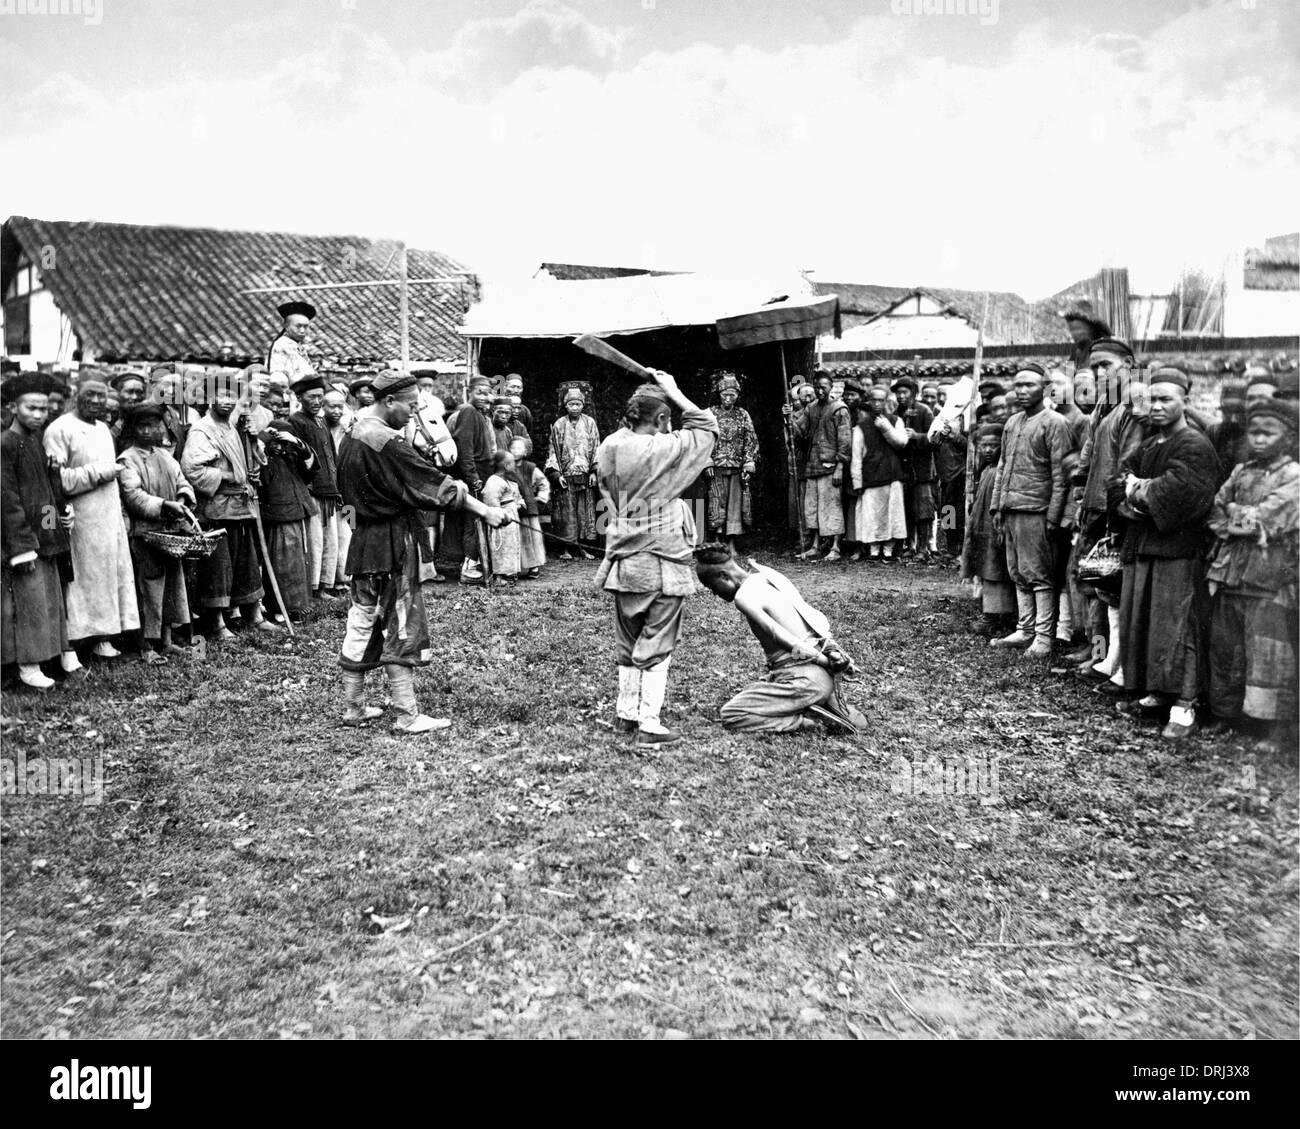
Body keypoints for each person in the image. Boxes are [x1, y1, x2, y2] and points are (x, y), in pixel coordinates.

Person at [335, 369, 507, 733]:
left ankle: (353, 708)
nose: (413, 413)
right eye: (411, 406)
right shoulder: (388, 442)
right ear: (389, 401)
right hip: (394, 544)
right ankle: (407, 715)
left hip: (363, 543)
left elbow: (345, 495)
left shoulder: (350, 435)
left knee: (362, 620)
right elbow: (435, 484)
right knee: (402, 623)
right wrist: (486, 510)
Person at [595, 369, 717, 747]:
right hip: (662, 561)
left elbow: (602, 486)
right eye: (666, 419)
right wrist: (675, 390)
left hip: (624, 558)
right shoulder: (664, 447)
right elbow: (708, 425)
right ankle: (650, 723)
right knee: (657, 639)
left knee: (628, 638)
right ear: (662, 419)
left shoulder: (609, 445)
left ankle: (626, 715)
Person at [1111, 367, 1220, 740]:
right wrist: (1134, 494)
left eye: (1165, 399)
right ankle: (1157, 691)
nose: (1155, 406)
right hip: (1145, 543)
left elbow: (1180, 494)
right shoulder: (1148, 445)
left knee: (1179, 626)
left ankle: (1185, 704)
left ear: (1184, 402)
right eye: (1151, 399)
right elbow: (1117, 483)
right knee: (1145, 624)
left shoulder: (1194, 444)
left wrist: (1137, 491)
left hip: (1179, 549)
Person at [1204, 398, 1298, 752]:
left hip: (1268, 575)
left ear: (1287, 437)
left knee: (1268, 653)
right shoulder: (1241, 471)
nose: (1258, 439)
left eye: (1267, 432)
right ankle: (1226, 714)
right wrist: (1237, 517)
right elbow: (1214, 508)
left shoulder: (1293, 476)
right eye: (1253, 432)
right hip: (1229, 571)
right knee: (1226, 647)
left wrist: (1237, 515)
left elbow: (1269, 519)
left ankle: (1269, 728)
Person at [694, 544, 868, 734]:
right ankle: (824, 702)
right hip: (823, 675)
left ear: (723, 576)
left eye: (711, 587)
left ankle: (809, 721)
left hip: (805, 680)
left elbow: (786, 639)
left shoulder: (743, 597)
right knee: (860, 724)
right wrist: (835, 655)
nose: (714, 593)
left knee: (732, 713)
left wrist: (825, 661)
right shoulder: (765, 575)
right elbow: (812, 621)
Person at [43, 379, 140, 659]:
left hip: (108, 517)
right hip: (79, 519)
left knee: (107, 577)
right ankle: (73, 643)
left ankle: (102, 637)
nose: (97, 401)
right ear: (77, 396)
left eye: (102, 396)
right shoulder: (59, 429)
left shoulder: (103, 430)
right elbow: (57, 481)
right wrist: (98, 472)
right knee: (81, 581)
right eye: (90, 395)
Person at [181, 372, 278, 641]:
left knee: (245, 559)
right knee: (218, 564)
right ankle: (216, 622)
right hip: (217, 504)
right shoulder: (202, 429)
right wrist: (229, 476)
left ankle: (252, 614)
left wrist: (250, 463)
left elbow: (250, 464)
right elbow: (192, 469)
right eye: (220, 396)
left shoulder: (234, 428)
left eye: (231, 397)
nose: (226, 402)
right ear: (210, 398)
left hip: (241, 504)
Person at [1, 373, 82, 689]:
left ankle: (50, 655)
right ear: (12, 407)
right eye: (30, 408)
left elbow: (44, 493)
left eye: (43, 409)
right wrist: (23, 546)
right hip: (21, 541)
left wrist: (56, 523)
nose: (38, 415)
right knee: (27, 602)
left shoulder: (35, 441)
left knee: (48, 598)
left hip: (43, 537)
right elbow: (7, 499)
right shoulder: (6, 444)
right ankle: (27, 664)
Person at [989, 363, 1072, 659]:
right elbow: (1002, 466)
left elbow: (1061, 475)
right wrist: (996, 505)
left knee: (1040, 573)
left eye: (1029, 385)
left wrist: (1054, 515)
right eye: (1018, 385)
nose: (1022, 391)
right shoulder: (1012, 422)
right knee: (1017, 571)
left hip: (1036, 509)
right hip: (1010, 508)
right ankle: (1024, 628)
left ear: (1045, 388)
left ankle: (1044, 636)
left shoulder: (1055, 423)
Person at [116, 403, 196, 663]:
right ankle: (146, 645)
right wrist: (163, 505)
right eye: (143, 426)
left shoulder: (164, 456)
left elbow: (181, 479)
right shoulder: (128, 458)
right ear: (134, 429)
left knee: (171, 586)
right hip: (145, 533)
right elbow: (134, 496)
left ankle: (167, 640)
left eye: (155, 425)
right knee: (148, 589)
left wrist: (183, 496)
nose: (150, 431)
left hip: (169, 533)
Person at [257, 400, 316, 622]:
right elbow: (256, 468)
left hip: (299, 511)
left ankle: (298, 604)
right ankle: (281, 607)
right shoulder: (265, 459)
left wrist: (297, 444)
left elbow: (312, 467)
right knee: (283, 564)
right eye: (276, 442)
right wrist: (264, 440)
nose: (279, 446)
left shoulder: (293, 456)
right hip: (280, 516)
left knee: (300, 562)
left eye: (284, 442)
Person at [287, 374, 343, 601]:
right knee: (314, 542)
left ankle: (326, 584)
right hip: (312, 492)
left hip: (329, 491)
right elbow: (297, 458)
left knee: (331, 541)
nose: (317, 401)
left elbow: (331, 455)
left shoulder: (321, 422)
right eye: (312, 397)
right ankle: (313, 587)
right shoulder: (296, 422)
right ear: (300, 397)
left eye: (320, 396)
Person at [786, 371, 850, 561]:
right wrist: (789, 418)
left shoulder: (840, 409)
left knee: (832, 507)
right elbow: (799, 431)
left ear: (831, 387)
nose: (820, 391)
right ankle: (814, 545)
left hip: (831, 465)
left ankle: (836, 547)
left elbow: (845, 441)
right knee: (812, 508)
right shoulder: (811, 408)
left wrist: (839, 467)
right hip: (812, 464)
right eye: (817, 387)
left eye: (823, 387)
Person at [961, 423, 1015, 635]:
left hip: (994, 530)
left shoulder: (999, 472)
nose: (988, 450)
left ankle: (995, 616)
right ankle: (991, 613)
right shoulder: (985, 471)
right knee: (985, 568)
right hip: (981, 530)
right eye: (984, 446)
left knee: (995, 571)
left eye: (993, 445)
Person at [445, 375, 497, 581]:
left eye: (487, 393)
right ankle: (469, 566)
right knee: (472, 521)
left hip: (483, 474)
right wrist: (473, 477)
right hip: (474, 476)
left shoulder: (481, 415)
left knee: (477, 520)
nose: (484, 397)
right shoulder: (468, 411)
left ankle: (476, 562)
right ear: (470, 393)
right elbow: (464, 448)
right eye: (479, 393)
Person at [848, 385, 908, 561]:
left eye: (881, 400)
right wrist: (857, 481)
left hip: (892, 474)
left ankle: (888, 549)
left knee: (891, 513)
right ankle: (874, 549)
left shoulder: (895, 421)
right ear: (868, 401)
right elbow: (856, 457)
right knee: (872, 514)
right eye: (873, 400)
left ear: (886, 401)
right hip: (871, 476)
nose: (877, 403)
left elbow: (902, 443)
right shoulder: (861, 427)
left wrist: (886, 428)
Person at [705, 371, 759, 554]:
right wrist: (707, 461)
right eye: (725, 394)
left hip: (736, 467)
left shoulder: (743, 415)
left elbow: (750, 439)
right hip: (717, 466)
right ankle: (718, 540)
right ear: (719, 394)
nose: (728, 398)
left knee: (735, 505)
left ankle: (732, 543)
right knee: (716, 501)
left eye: (732, 395)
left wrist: (749, 462)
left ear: (737, 395)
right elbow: (703, 439)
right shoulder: (710, 414)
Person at [545, 386, 601, 561]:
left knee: (584, 512)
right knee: (566, 512)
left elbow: (597, 448)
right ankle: (565, 548)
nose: (575, 407)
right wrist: (556, 474)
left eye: (578, 404)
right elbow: (553, 449)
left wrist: (594, 471)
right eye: (571, 404)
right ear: (566, 406)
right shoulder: (559, 425)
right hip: (566, 475)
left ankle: (583, 547)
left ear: (582, 405)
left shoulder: (590, 423)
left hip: (584, 473)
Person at [892, 376, 936, 558]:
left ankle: (923, 548)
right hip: (903, 469)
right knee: (908, 509)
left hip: (922, 469)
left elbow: (935, 439)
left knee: (923, 510)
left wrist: (917, 436)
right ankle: (910, 546)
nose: (901, 396)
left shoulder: (925, 411)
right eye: (898, 393)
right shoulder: (896, 413)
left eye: (905, 392)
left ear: (913, 393)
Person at [323, 389, 352, 595]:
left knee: (349, 532)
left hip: (348, 489)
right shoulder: (320, 429)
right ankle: (330, 580)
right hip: (329, 491)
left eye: (340, 406)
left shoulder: (348, 430)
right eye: (331, 406)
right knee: (330, 537)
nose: (336, 411)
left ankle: (345, 578)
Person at [509, 435, 549, 579]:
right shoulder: (505, 468)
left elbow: (543, 483)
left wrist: (540, 498)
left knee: (531, 538)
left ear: (525, 451)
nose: (515, 451)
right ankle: (513, 568)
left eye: (519, 448)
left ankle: (534, 566)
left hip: (528, 508)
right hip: (512, 508)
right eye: (512, 448)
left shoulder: (530, 468)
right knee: (514, 537)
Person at [481, 449, 524, 582]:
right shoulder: (494, 481)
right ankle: (500, 576)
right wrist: (498, 514)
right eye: (512, 463)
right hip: (501, 523)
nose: (515, 465)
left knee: (511, 546)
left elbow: (514, 498)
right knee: (501, 548)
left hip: (511, 522)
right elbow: (491, 501)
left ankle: (510, 573)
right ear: (506, 466)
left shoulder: (508, 481)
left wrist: (518, 504)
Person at [267, 300, 318, 387]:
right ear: (286, 327)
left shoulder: (297, 345)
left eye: (306, 327)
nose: (302, 331)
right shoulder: (283, 344)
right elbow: (300, 374)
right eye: (298, 326)